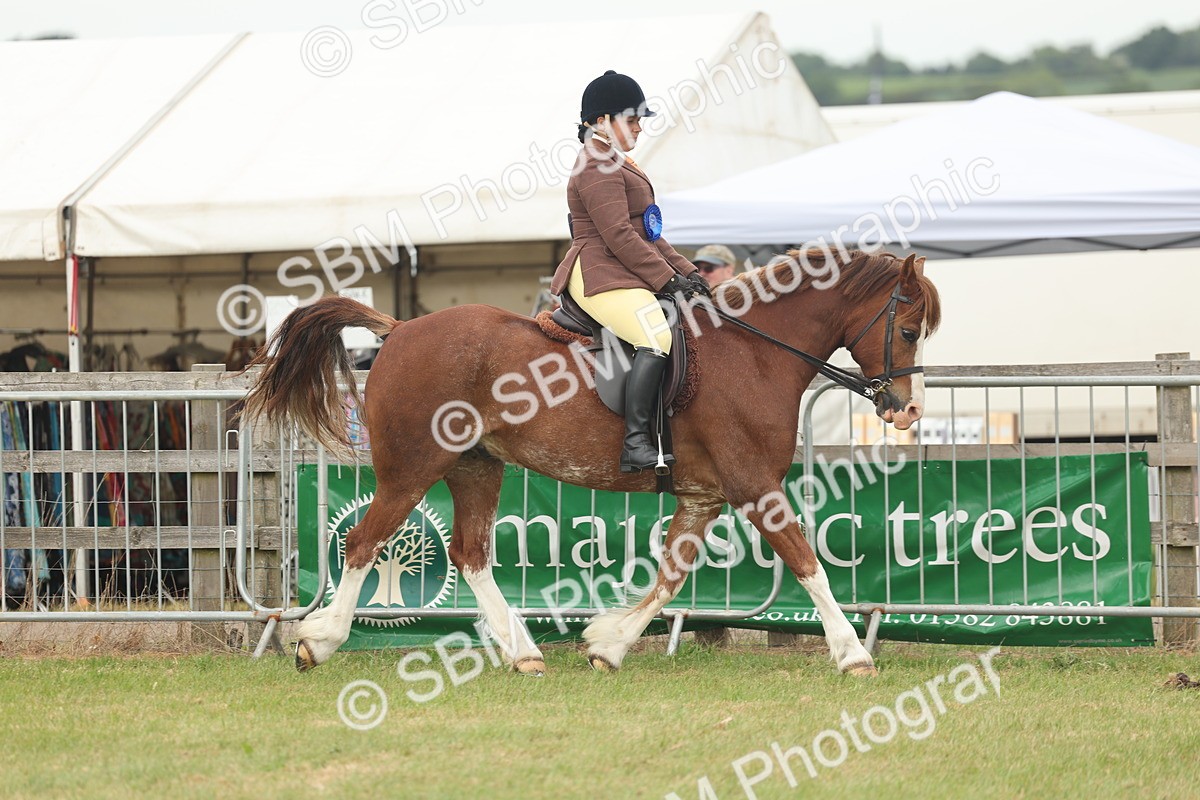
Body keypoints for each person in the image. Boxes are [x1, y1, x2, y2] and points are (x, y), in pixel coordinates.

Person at [550, 70, 710, 473]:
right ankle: (635, 441)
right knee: (654, 332)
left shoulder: (617, 161)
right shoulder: (594, 165)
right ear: (601, 120)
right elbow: (619, 235)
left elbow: (649, 233)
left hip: (623, 267)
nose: (640, 126)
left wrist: (689, 274)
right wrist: (666, 280)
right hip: (598, 270)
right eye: (632, 118)